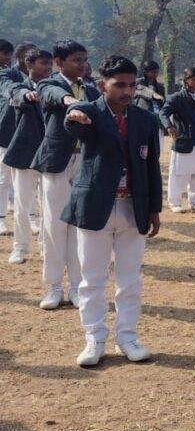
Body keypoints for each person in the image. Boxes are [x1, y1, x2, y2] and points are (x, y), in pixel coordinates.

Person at [63, 55, 162, 367]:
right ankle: (94, 338)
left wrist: (154, 208)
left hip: (134, 207)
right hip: (95, 206)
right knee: (91, 279)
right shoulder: (89, 113)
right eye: (119, 85)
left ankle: (128, 336)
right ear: (101, 84)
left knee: (130, 279)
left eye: (132, 85)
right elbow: (73, 120)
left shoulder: (145, 119)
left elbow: (152, 165)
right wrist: (72, 116)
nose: (127, 91)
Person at [31, 40, 100, 310]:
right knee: (54, 226)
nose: (82, 64)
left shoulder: (91, 89)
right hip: (57, 161)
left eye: (84, 59)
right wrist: (72, 102)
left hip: (85, 161)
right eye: (75, 60)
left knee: (79, 225)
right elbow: (52, 96)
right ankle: (54, 287)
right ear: (59, 63)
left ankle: (76, 286)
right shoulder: (49, 84)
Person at [4, 49, 50, 272]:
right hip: (25, 153)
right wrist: (25, 95)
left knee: (49, 203)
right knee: (23, 203)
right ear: (28, 63)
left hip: (51, 154)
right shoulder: (17, 84)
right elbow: (13, 91)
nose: (47, 68)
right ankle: (20, 247)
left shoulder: (55, 87)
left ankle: (45, 245)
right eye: (43, 63)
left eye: (50, 64)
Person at [159, 67, 195, 213]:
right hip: (185, 139)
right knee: (178, 173)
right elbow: (163, 113)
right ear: (186, 80)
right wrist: (169, 127)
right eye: (194, 79)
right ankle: (175, 202)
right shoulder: (177, 97)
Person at [0, 39, 23, 236]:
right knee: (3, 178)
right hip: (4, 131)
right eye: (4, 53)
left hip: (11, 131)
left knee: (9, 177)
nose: (7, 58)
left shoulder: (15, 75)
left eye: (9, 54)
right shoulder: (9, 75)